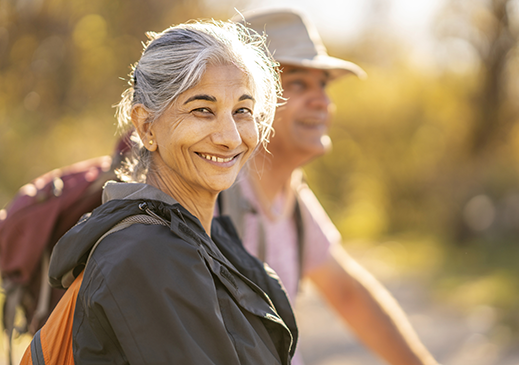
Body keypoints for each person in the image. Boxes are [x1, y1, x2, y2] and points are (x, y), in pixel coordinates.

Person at [26, 19, 297, 364]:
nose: (230, 137)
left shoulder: (208, 240)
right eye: (203, 110)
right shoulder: (144, 257)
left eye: (242, 111)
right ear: (146, 125)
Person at [219, 8, 440, 365]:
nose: (323, 101)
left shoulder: (290, 196)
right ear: (245, 99)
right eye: (298, 83)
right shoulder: (210, 199)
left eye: (323, 84)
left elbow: (347, 293)